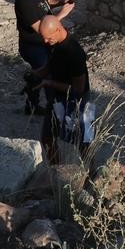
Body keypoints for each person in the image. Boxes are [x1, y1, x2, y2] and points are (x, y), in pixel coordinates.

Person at [28, 14, 92, 160]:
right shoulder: (53, 42)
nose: (45, 41)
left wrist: (49, 83)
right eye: (43, 37)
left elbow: (78, 90)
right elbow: (50, 65)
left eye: (48, 38)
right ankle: (57, 170)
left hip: (77, 102)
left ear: (58, 29)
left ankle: (91, 170)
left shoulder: (74, 53)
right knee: (47, 138)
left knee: (82, 141)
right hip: (57, 97)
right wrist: (35, 74)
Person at [15, 0, 76, 115]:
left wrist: (61, 2)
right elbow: (41, 29)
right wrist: (62, 14)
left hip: (45, 43)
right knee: (47, 75)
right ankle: (54, 110)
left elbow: (48, 1)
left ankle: (32, 104)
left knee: (41, 74)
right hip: (33, 47)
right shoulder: (24, 3)